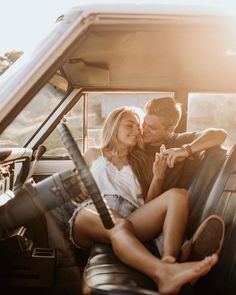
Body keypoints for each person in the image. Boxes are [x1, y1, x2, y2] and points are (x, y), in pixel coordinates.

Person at [69, 106, 220, 295]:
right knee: (118, 224)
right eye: (129, 125)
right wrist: (77, 189)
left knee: (178, 195)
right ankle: (167, 269)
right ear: (114, 125)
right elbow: (74, 185)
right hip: (92, 213)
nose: (137, 130)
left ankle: (170, 263)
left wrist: (158, 177)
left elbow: (147, 204)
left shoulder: (141, 161)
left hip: (130, 218)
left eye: (138, 127)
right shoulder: (92, 154)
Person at [142, 97, 227, 190]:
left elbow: (220, 135)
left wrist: (185, 150)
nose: (144, 129)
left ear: (170, 130)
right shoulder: (135, 143)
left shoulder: (179, 141)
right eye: (144, 122)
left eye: (152, 127)